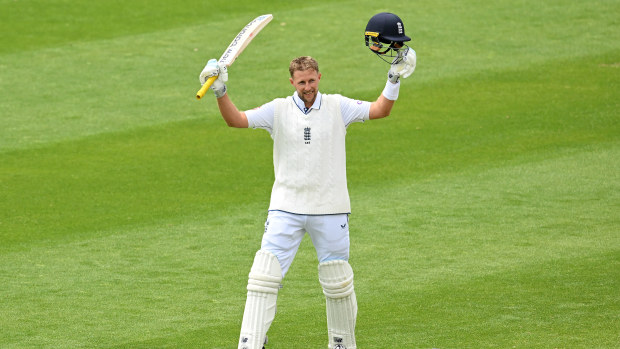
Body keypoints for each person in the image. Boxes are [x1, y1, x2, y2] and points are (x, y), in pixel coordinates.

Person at [199, 12, 415, 349]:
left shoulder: (338, 106)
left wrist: (394, 77)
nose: (308, 88)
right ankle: (250, 343)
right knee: (263, 276)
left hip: (330, 209)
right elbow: (237, 121)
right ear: (292, 83)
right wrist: (220, 91)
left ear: (318, 78)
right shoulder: (277, 110)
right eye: (301, 83)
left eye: (312, 81)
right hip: (286, 207)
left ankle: (342, 345)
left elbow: (379, 110)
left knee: (338, 280)